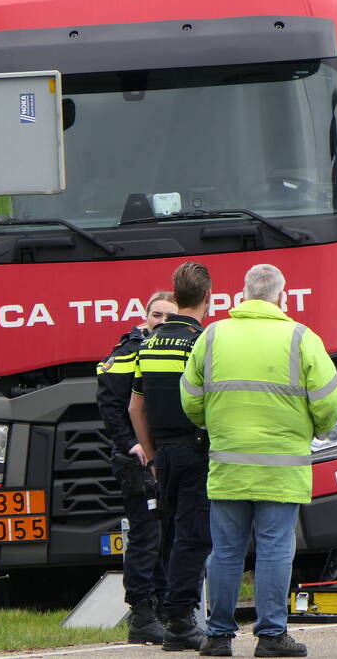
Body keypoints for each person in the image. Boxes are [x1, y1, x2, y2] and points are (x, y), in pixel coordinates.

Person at [181, 264, 337, 658]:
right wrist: (316, 428)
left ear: (244, 293)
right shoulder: (300, 337)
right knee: (274, 550)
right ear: (281, 295)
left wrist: (214, 425)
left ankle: (218, 636)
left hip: (228, 465)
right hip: (282, 468)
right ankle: (271, 636)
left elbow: (189, 397)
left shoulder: (214, 335)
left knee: (226, 551)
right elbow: (329, 400)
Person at [129, 263, 212, 651]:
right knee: (193, 536)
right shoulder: (203, 343)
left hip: (163, 453)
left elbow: (135, 407)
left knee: (170, 534)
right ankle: (181, 618)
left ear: (175, 299)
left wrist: (151, 453)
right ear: (207, 300)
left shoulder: (149, 343)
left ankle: (168, 609)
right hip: (197, 449)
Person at [96, 291, 177, 644]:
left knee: (166, 537)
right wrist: (133, 444)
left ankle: (160, 609)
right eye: (155, 314)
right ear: (145, 317)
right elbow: (110, 404)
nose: (160, 321)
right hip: (136, 459)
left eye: (168, 316)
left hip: (165, 457)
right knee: (146, 537)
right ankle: (142, 614)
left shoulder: (172, 350)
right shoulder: (128, 351)